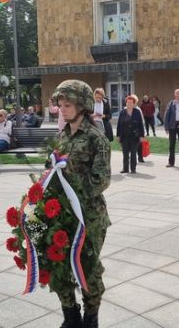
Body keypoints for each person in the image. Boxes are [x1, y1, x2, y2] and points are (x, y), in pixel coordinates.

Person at [51, 79, 111, 328]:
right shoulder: (62, 137)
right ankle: (70, 314)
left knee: (87, 267)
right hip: (61, 215)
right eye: (60, 105)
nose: (62, 109)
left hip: (89, 216)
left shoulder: (97, 138)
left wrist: (70, 185)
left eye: (68, 104)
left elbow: (101, 180)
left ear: (82, 105)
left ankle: (91, 317)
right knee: (60, 264)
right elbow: (52, 170)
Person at [116, 95, 144, 174]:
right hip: (124, 136)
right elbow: (119, 125)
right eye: (128, 102)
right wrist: (118, 136)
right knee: (125, 153)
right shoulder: (122, 112)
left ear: (134, 104)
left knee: (133, 153)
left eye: (131, 103)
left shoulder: (137, 112)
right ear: (126, 103)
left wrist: (142, 136)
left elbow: (141, 125)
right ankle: (125, 168)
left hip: (134, 136)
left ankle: (133, 169)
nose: (129, 104)